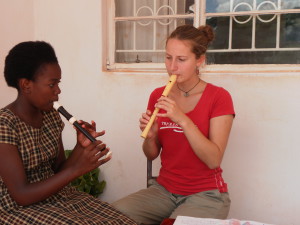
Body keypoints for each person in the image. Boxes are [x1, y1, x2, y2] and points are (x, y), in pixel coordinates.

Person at [0, 41, 137, 225]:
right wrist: (77, 169)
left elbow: (58, 171)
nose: (58, 91)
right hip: (17, 207)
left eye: (58, 83)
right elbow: (22, 195)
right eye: (52, 84)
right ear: (26, 85)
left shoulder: (51, 116)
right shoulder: (5, 124)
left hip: (55, 197)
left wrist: (81, 148)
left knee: (121, 220)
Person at [112, 24, 235, 225]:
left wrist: (182, 119)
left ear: (199, 61)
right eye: (168, 57)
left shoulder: (219, 97)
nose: (172, 67)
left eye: (181, 59)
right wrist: (150, 137)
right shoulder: (158, 95)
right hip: (164, 190)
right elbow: (151, 154)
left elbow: (213, 159)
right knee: (112, 216)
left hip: (206, 194)